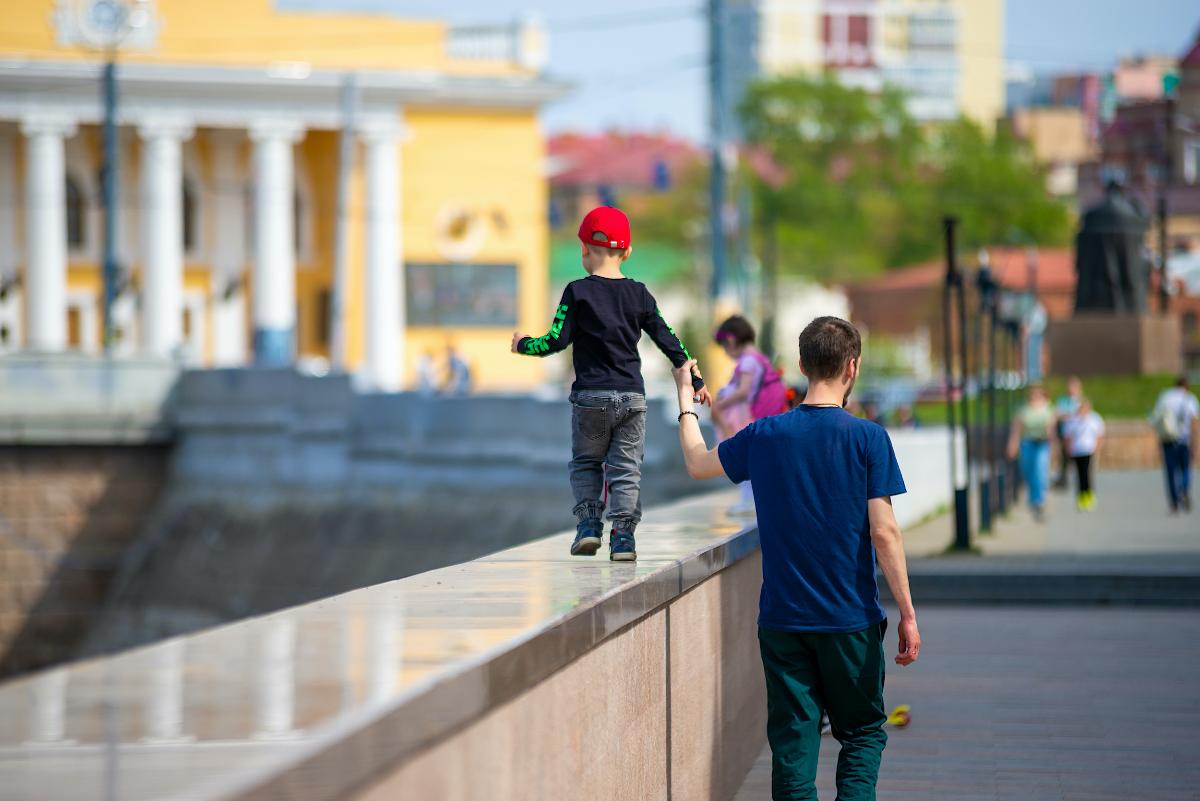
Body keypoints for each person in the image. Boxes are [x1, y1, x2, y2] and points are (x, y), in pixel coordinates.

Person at [670, 316, 920, 801]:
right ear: (853, 367)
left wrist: (686, 399)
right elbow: (884, 531)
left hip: (783, 622)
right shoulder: (868, 439)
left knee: (793, 745)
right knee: (864, 732)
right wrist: (907, 613)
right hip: (850, 622)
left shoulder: (764, 435)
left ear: (803, 365)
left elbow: (698, 463)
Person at [510, 206, 711, 560]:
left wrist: (523, 344)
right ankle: (623, 538)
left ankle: (589, 527)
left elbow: (555, 341)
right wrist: (696, 379)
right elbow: (669, 340)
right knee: (626, 469)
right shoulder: (640, 295)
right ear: (628, 252)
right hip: (632, 398)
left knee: (587, 463)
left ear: (584, 249)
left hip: (591, 398)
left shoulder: (576, 292)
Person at [711, 315, 788, 515]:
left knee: (745, 460)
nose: (726, 353)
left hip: (746, 417)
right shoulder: (759, 358)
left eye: (725, 347)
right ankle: (750, 500)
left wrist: (721, 404)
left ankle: (749, 501)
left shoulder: (747, 361)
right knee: (751, 461)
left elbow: (744, 391)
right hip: (754, 416)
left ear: (731, 341)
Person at [1150, 375, 1200, 513]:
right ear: (1186, 386)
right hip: (1184, 440)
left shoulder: (1165, 397)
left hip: (1167, 439)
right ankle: (1184, 488)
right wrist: (1195, 443)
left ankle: (1174, 502)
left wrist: (1157, 441)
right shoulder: (1189, 399)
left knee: (1170, 472)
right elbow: (1194, 422)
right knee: (1185, 468)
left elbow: (1157, 420)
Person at [1007, 383, 1054, 522]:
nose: (1034, 396)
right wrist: (1012, 444)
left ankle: (1037, 500)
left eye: (1037, 393)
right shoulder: (1023, 409)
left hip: (1041, 443)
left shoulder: (1047, 409)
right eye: (1032, 393)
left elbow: (1050, 430)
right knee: (1027, 471)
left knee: (1039, 470)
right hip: (1027, 443)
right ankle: (1033, 496)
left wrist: (1053, 447)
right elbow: (1016, 429)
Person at [1063, 397, 1104, 511]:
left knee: (1086, 474)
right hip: (1077, 451)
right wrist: (1068, 449)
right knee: (1079, 474)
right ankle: (1081, 496)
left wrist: (1097, 448)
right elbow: (1068, 437)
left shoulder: (1094, 419)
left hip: (1088, 450)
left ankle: (1089, 495)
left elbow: (1099, 435)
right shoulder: (1073, 420)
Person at [1052, 376, 1083, 489]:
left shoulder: (1081, 400)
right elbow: (1057, 414)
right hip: (1064, 433)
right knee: (1064, 456)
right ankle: (1063, 479)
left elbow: (1082, 415)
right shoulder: (1062, 399)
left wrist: (1067, 415)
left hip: (1078, 434)